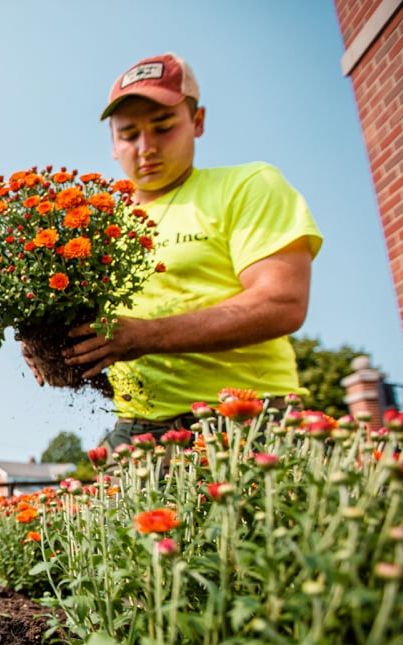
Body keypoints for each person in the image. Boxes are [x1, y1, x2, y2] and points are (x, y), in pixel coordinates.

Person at [24, 53, 323, 448]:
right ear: (113, 143)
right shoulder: (96, 225)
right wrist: (44, 340)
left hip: (246, 419)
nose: (145, 147)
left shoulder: (248, 185)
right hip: (136, 430)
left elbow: (281, 303)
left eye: (163, 127)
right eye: (128, 134)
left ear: (197, 123)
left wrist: (146, 336)